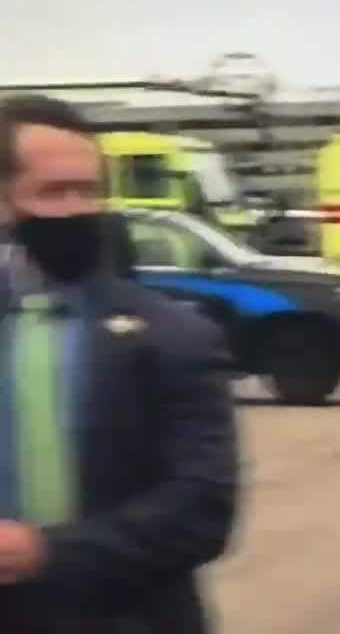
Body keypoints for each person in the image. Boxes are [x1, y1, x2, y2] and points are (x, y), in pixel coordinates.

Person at [0, 95, 240, 633]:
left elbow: (202, 512)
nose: (78, 210)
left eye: (89, 190)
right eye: (54, 192)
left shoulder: (177, 338)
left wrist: (42, 552)